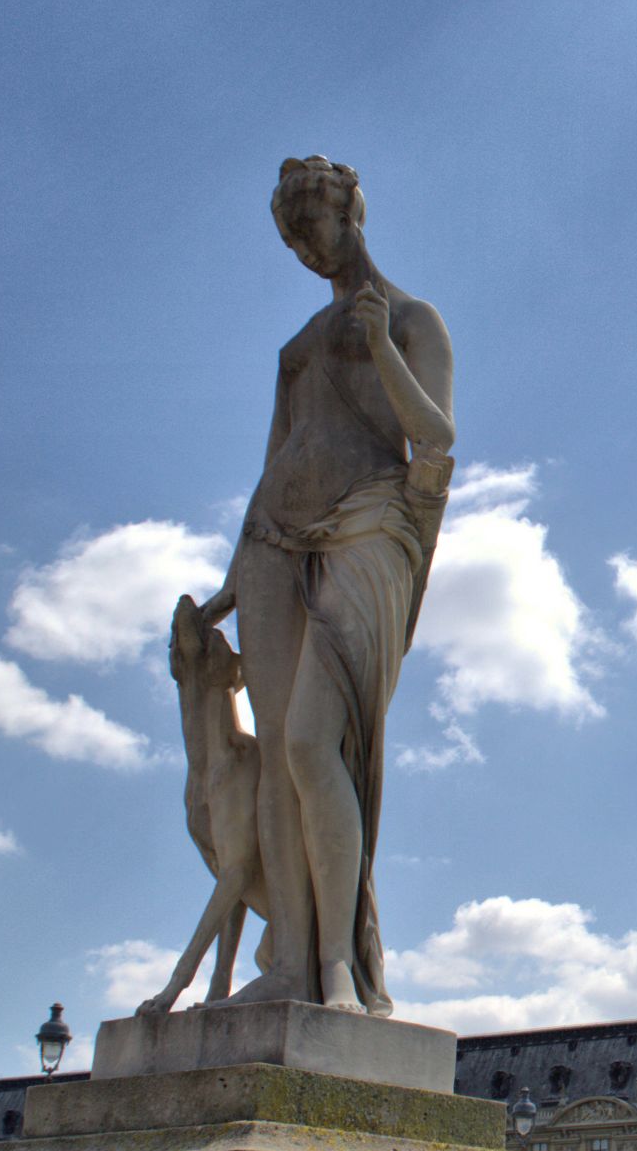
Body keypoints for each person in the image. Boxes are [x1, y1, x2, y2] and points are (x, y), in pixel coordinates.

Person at [188, 157, 456, 1015]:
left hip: (370, 526)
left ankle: (338, 965)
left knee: (311, 743)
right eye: (293, 241)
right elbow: (273, 460)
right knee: (274, 760)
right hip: (273, 542)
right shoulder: (296, 349)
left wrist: (380, 348)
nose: (307, 251)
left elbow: (437, 439)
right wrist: (233, 576)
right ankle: (289, 967)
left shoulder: (413, 321)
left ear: (352, 217)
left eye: (315, 231)